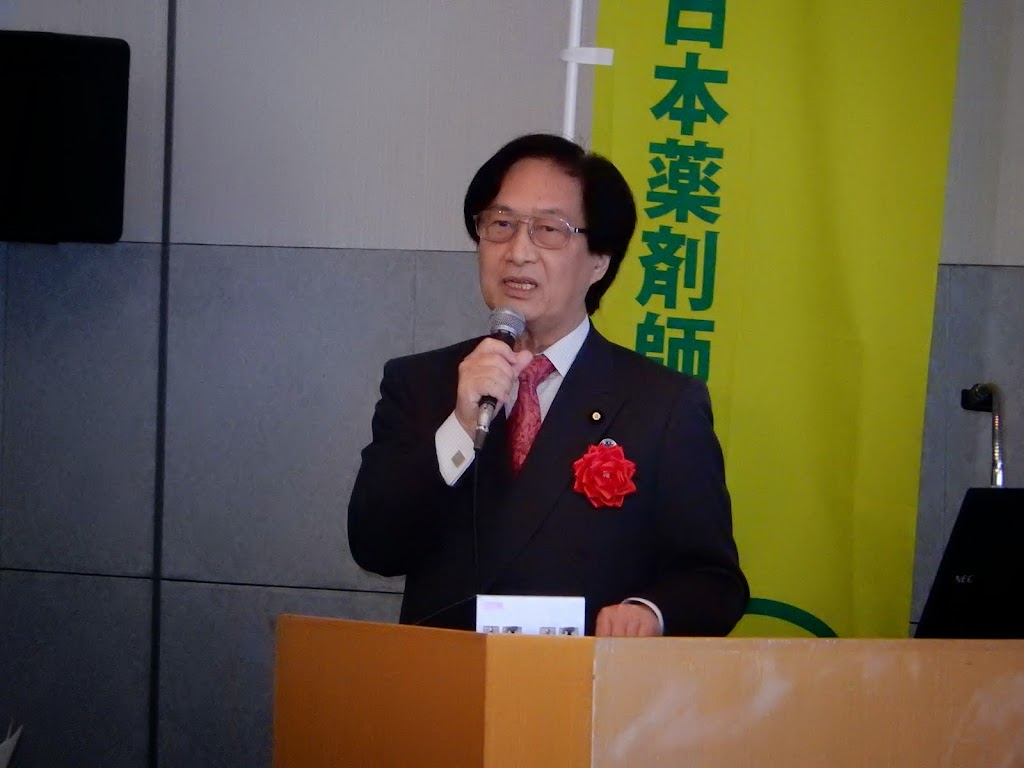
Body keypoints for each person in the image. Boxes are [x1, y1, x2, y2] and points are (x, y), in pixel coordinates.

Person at [348, 133, 747, 637]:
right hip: (447, 677)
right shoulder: (421, 383)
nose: (518, 252)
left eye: (548, 230)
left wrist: (650, 611)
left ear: (599, 261)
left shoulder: (662, 404)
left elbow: (714, 581)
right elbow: (375, 548)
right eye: (501, 224)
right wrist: (460, 427)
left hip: (581, 678)